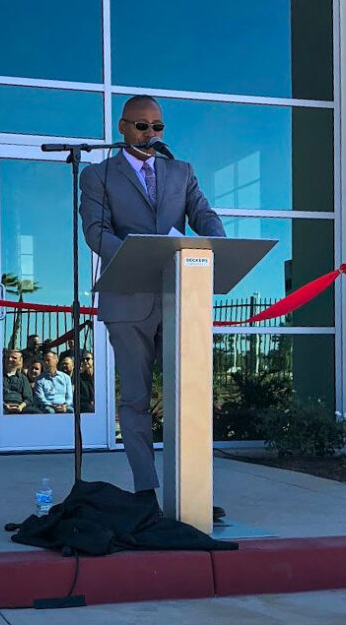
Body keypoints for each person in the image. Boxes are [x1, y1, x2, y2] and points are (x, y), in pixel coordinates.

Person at [79, 94, 225, 495]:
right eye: (141, 126)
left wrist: (219, 243)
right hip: (127, 298)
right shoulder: (98, 175)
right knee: (137, 399)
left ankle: (190, 494)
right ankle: (146, 490)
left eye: (157, 127)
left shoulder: (181, 171)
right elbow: (96, 232)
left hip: (179, 297)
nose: (150, 134)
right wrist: (137, 254)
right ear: (123, 127)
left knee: (189, 395)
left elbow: (203, 214)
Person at [3, 349, 40, 414]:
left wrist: (20, 407)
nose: (10, 359)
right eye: (8, 357)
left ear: (20, 361)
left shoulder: (23, 378)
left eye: (14, 358)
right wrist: (4, 405)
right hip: (1, 407)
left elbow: (29, 399)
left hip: (20, 407)